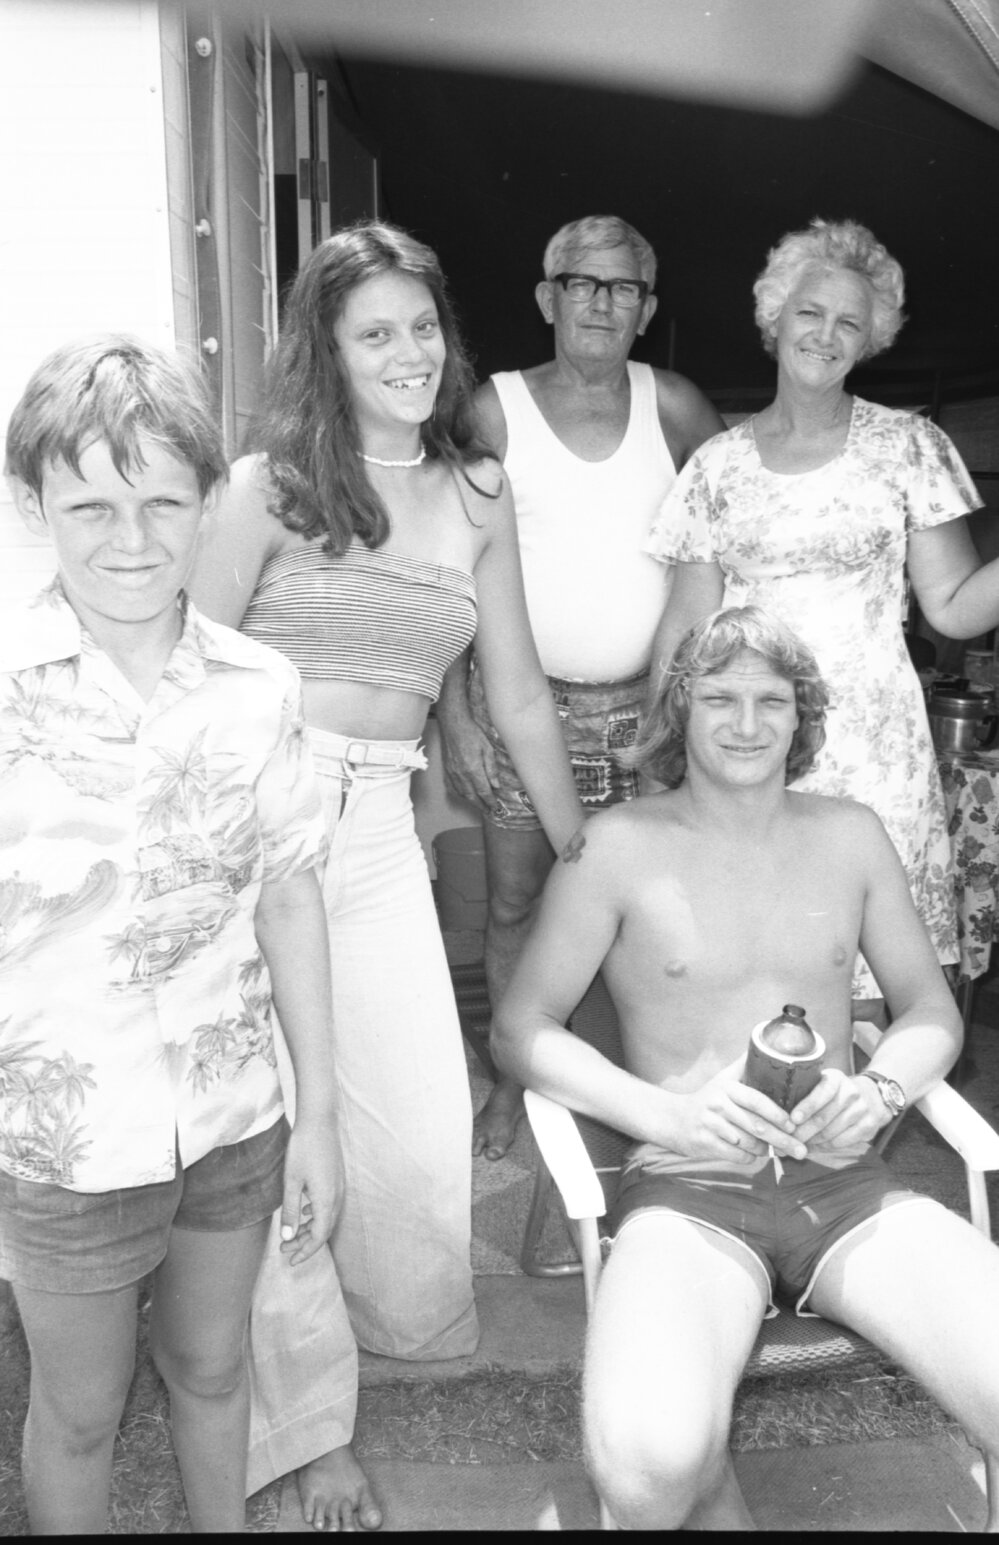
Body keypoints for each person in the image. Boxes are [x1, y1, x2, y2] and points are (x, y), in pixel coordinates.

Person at [189, 220, 584, 1530]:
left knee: (414, 1121)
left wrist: (584, 848)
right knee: (281, 1126)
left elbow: (515, 691)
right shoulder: (266, 488)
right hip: (254, 823)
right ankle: (308, 1437)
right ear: (327, 348)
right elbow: (186, 675)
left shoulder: (477, 490)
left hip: (373, 828)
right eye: (375, 334)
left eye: (422, 326)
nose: (409, 353)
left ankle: (369, 1340)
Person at [493, 605, 999, 1530]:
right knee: (648, 1473)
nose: (746, 722)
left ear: (801, 716)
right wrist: (665, 1116)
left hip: (847, 1186)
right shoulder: (616, 846)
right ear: (678, 710)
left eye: (771, 700)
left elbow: (930, 1009)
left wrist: (880, 1088)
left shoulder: (849, 834)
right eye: (719, 698)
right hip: (691, 1187)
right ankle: (704, 1471)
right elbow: (520, 1028)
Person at [0, 337, 340, 1534]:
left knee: (212, 1370)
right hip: (66, 1141)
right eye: (91, 506)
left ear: (208, 503)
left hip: (232, 1116)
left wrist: (319, 1116)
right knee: (78, 1414)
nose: (131, 538)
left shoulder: (261, 689)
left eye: (162, 502)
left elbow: (289, 896)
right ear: (33, 506)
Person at [647, 216, 999, 1010]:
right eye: (809, 312)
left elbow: (951, 607)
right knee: (749, 967)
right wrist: (663, 756)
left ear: (870, 340)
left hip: (874, 751)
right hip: (750, 737)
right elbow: (684, 630)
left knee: (872, 978)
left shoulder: (909, 445)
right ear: (774, 318)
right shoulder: (715, 466)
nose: (825, 334)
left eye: (849, 321)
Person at [436, 213, 724, 1158]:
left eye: (622, 287)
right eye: (581, 283)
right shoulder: (493, 410)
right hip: (522, 712)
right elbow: (441, 568)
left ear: (647, 307)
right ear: (546, 296)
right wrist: (455, 715)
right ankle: (512, 1082)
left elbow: (731, 534)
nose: (601, 303)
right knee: (516, 902)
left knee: (654, 906)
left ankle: (651, 1083)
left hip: (650, 710)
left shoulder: (673, 406)